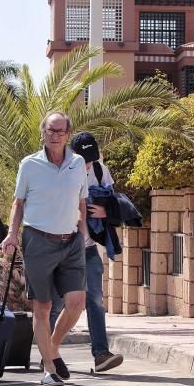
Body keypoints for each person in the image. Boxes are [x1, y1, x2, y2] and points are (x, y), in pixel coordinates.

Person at [1, 111, 88, 386]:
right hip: (38, 239)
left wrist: (83, 234)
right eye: (50, 131)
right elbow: (18, 203)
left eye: (60, 131)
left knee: (77, 302)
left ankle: (50, 347)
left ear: (68, 134)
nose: (55, 136)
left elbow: (82, 202)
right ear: (43, 132)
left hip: (71, 240)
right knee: (43, 306)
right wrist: (12, 234)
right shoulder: (29, 164)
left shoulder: (78, 163)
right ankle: (49, 368)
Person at [50, 132, 124, 373]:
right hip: (61, 248)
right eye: (85, 158)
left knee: (95, 301)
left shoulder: (101, 171)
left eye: (92, 158)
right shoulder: (59, 170)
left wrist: (105, 212)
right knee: (58, 303)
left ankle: (100, 354)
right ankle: (50, 353)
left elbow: (113, 203)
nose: (89, 163)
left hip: (89, 248)